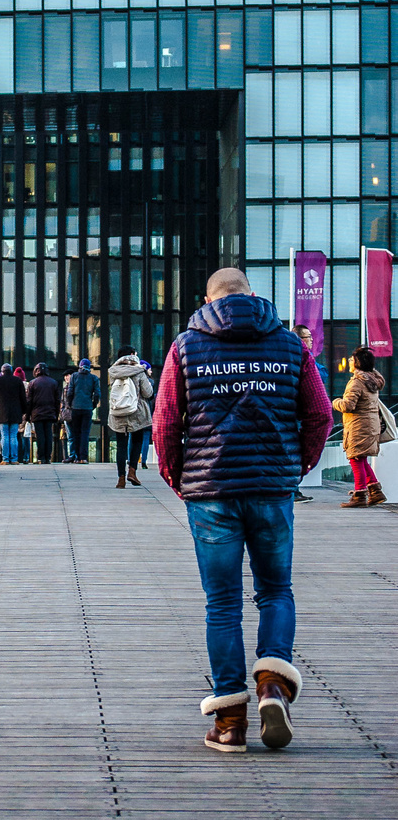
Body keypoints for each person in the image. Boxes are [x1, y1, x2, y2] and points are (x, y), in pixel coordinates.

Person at [153, 268, 332, 754]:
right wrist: (296, 466)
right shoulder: (290, 345)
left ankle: (230, 723)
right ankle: (273, 683)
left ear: (207, 298)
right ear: (252, 295)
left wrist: (178, 477)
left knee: (222, 602)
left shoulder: (188, 345)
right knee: (276, 590)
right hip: (272, 488)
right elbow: (320, 414)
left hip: (210, 490)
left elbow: (167, 421)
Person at [332, 347, 387, 508]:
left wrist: (335, 402)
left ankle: (360, 495)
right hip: (369, 425)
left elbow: (348, 405)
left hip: (358, 426)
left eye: (351, 359)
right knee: (361, 458)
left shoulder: (356, 382)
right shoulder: (372, 380)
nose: (349, 361)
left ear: (357, 363)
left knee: (355, 458)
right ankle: (376, 492)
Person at [290, 324, 328, 503]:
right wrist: (307, 461)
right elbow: (322, 414)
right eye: (307, 337)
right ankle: (293, 488)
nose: (311, 340)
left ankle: (293, 487)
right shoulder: (302, 358)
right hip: (297, 414)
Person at [107, 346, 154, 488]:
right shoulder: (139, 370)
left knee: (121, 445)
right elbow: (148, 392)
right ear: (133, 355)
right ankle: (132, 471)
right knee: (137, 441)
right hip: (136, 411)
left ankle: (121, 478)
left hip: (118, 411)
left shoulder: (113, 371)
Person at [0, 363, 27, 465]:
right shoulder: (18, 381)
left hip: (3, 412)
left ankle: (5, 459)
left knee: (4, 436)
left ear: (2, 371)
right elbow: (23, 398)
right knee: (13, 436)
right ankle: (14, 459)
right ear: (11, 371)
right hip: (15, 412)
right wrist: (23, 410)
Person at [67, 358, 101, 463]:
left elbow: (69, 392)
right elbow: (97, 394)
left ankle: (77, 457)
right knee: (85, 433)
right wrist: (93, 405)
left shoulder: (74, 376)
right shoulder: (94, 378)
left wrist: (70, 404)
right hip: (87, 408)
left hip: (75, 408)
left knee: (76, 432)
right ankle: (84, 457)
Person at [27, 363, 61, 464]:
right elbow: (57, 400)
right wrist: (56, 414)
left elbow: (29, 401)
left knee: (40, 436)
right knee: (49, 435)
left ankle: (41, 457)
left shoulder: (32, 383)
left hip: (37, 413)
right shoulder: (53, 383)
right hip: (50, 413)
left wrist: (28, 415)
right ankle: (48, 457)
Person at [59, 372, 74, 463]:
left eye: (68, 375)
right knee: (70, 436)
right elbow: (62, 401)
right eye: (65, 376)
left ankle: (74, 455)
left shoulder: (73, 387)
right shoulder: (65, 388)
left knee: (73, 435)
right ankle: (72, 455)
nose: (66, 377)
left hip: (72, 412)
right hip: (67, 414)